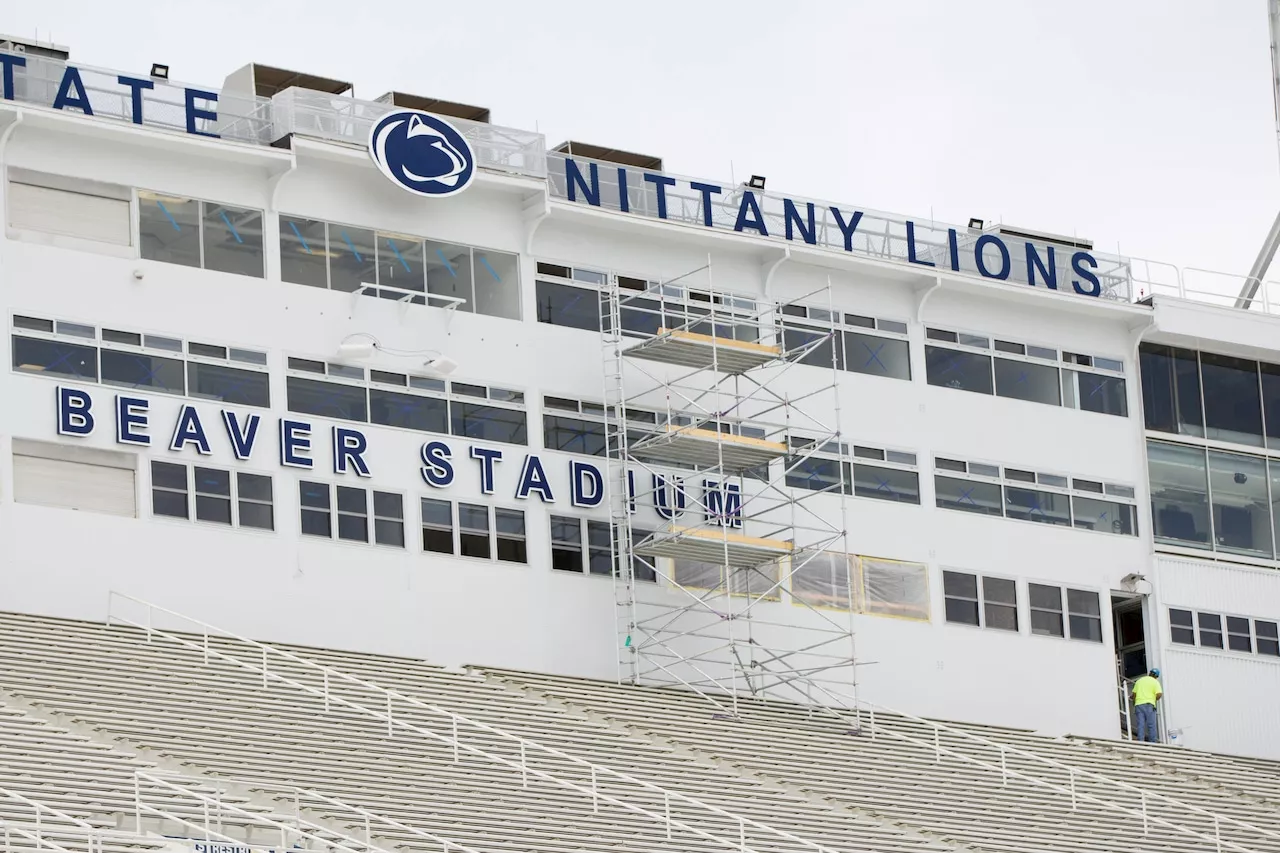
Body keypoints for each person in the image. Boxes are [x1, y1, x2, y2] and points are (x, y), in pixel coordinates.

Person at [1132, 668, 1163, 743]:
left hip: (1138, 705)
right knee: (1151, 724)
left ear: (1149, 673)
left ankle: (1140, 741)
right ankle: (1152, 742)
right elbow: (1159, 694)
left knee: (1140, 724)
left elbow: (1134, 695)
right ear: (1156, 676)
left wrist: (1134, 703)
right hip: (1149, 705)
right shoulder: (1155, 682)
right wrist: (1154, 699)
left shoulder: (1139, 681)